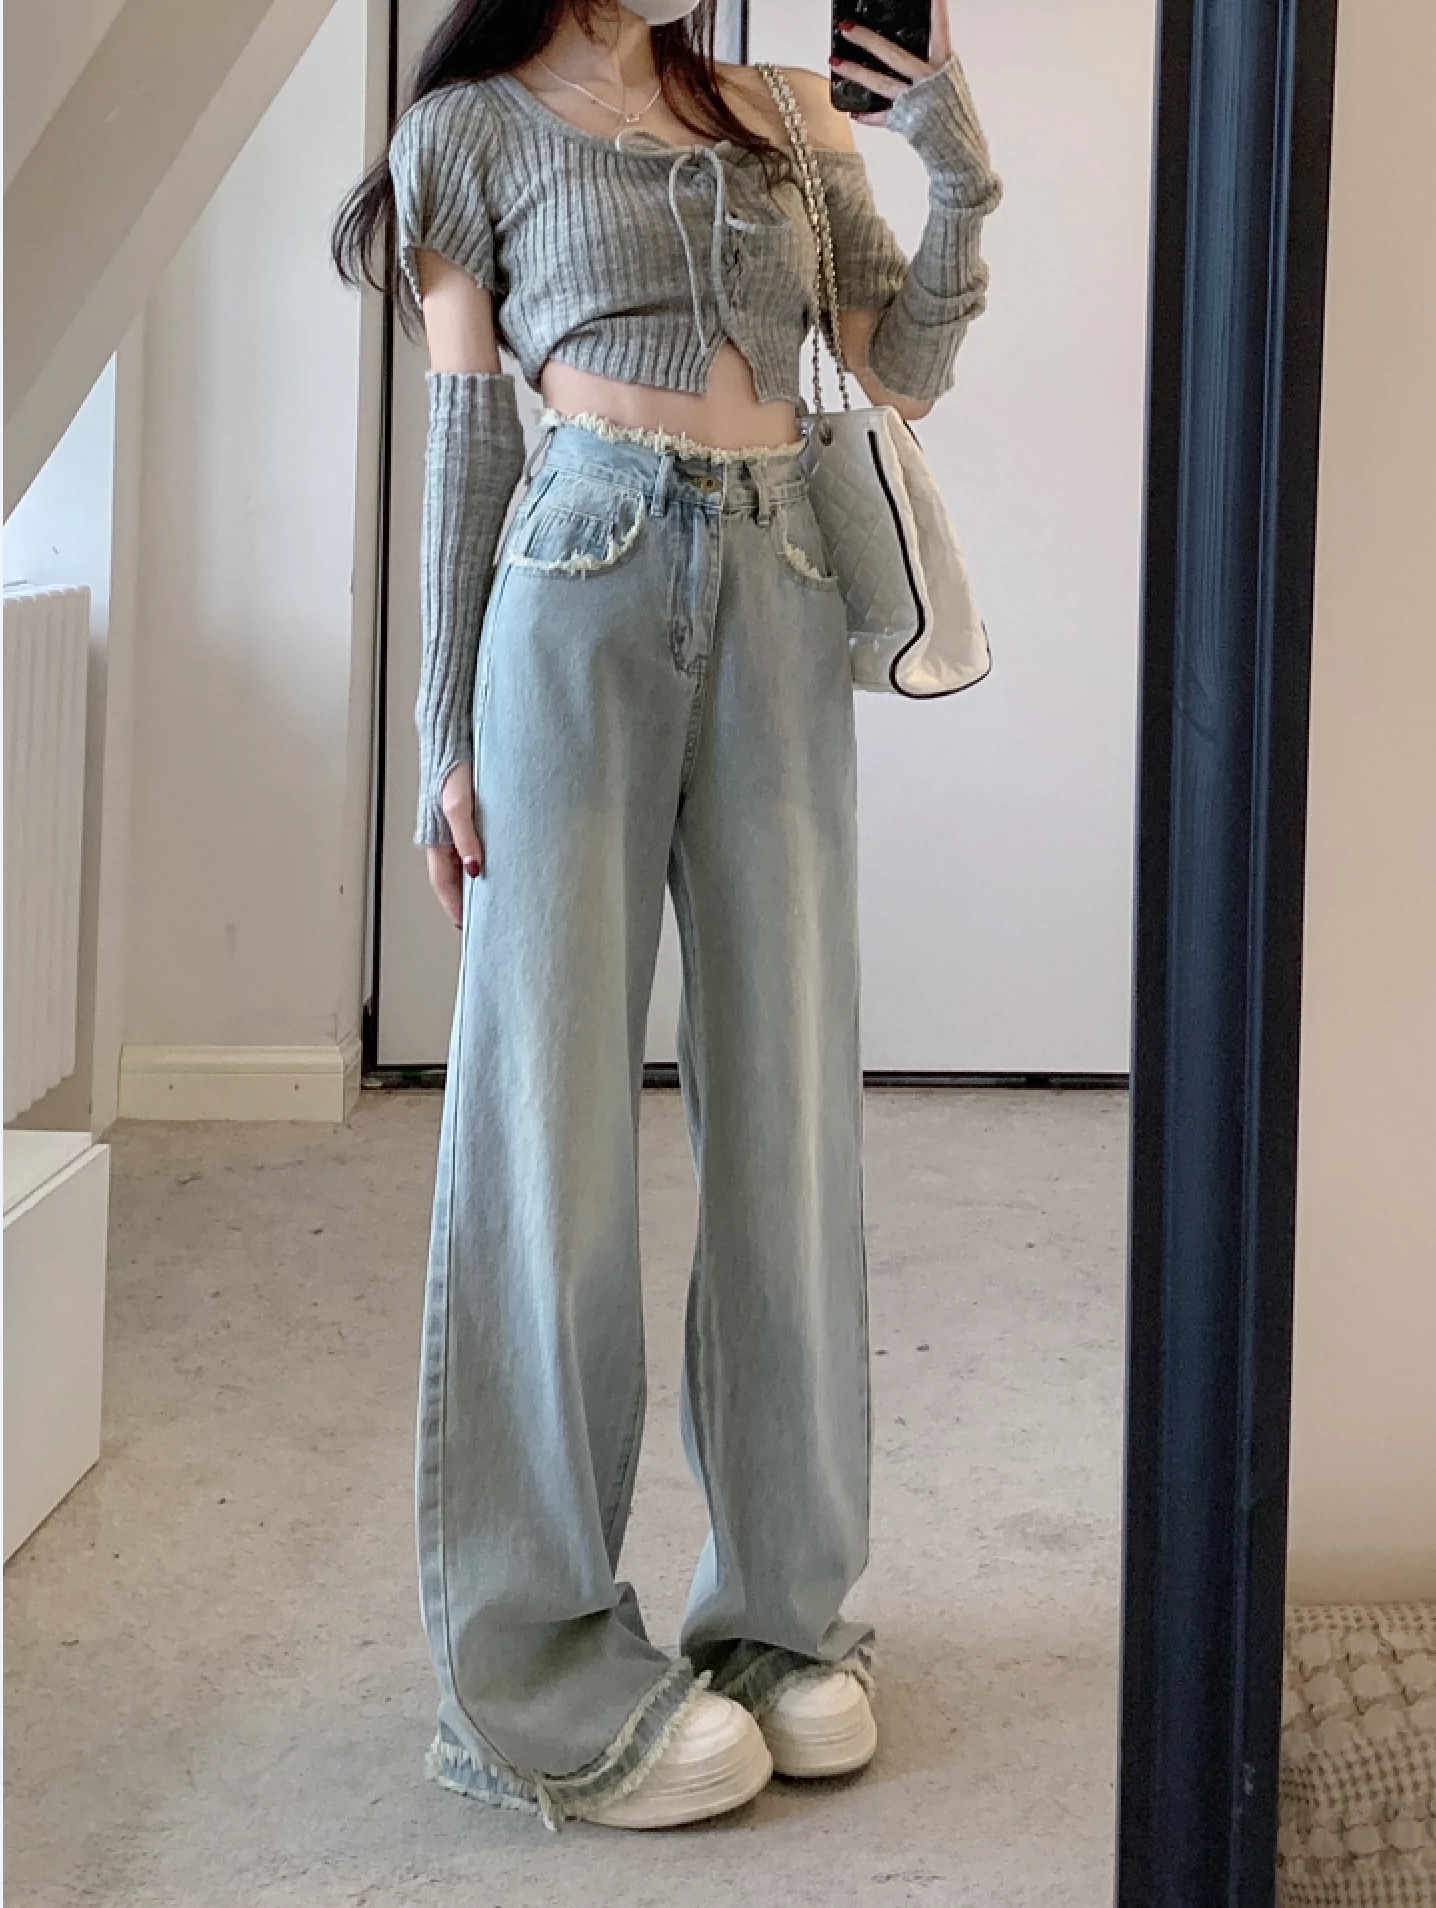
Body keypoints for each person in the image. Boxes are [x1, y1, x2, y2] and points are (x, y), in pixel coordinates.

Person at [331, 0, 1000, 1834]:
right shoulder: (467, 134)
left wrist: (954, 159)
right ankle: (535, 1673)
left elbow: (898, 368)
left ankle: (783, 1619)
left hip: (783, 579)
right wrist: (446, 736)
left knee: (789, 1114)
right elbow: (467, 448)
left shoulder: (783, 110)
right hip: (578, 577)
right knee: (547, 1128)